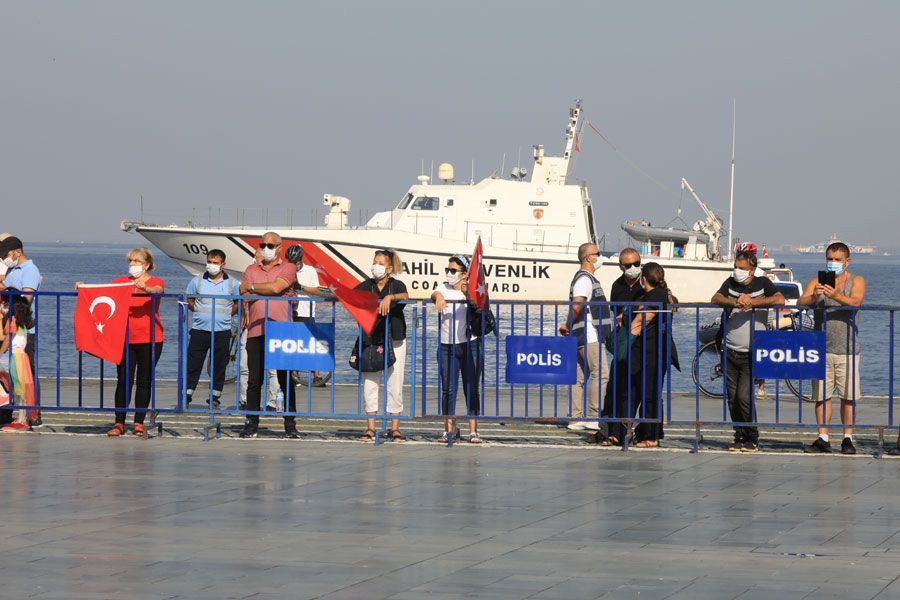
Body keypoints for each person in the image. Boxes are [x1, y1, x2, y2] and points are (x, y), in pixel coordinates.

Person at [711, 251, 785, 452]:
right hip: (730, 348)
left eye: (742, 268)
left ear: (752, 269)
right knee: (732, 396)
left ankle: (752, 435)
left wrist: (753, 302)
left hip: (752, 350)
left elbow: (780, 300)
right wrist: (735, 302)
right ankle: (739, 435)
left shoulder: (763, 283)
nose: (737, 271)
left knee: (744, 396)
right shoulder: (730, 283)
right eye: (736, 266)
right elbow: (716, 297)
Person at [798, 242, 866, 455]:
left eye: (837, 260)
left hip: (847, 348)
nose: (833, 263)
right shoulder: (816, 281)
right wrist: (815, 296)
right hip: (821, 348)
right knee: (821, 395)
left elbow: (855, 301)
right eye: (830, 259)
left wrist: (835, 295)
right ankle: (823, 437)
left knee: (848, 396)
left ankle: (847, 438)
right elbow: (801, 301)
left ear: (847, 261)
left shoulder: (856, 280)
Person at [99, 247, 165, 438]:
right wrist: (83, 287)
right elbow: (102, 293)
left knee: (144, 381)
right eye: (131, 261)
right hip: (125, 339)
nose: (132, 265)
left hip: (151, 339)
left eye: (136, 262)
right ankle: (119, 422)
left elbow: (157, 290)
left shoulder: (155, 281)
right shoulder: (121, 282)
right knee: (124, 381)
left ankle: (139, 422)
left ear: (147, 265)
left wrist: (146, 288)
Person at [238, 232, 298, 438]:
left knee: (285, 379)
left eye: (270, 245)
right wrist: (255, 290)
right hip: (256, 329)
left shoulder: (289, 267)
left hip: (281, 330)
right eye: (263, 244)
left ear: (280, 247)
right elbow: (242, 292)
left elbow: (277, 287)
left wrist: (254, 287)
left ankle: (290, 425)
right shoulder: (251, 268)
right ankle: (251, 423)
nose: (266, 248)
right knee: (254, 380)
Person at [432, 254, 488, 443]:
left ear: (464, 273)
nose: (449, 273)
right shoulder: (443, 287)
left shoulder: (473, 290)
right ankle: (449, 429)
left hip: (470, 343)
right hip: (447, 345)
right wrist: (438, 296)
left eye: (453, 270)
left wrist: (466, 292)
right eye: (447, 270)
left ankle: (473, 430)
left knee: (471, 388)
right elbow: (434, 293)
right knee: (448, 389)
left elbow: (480, 308)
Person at [354, 249, 409, 442]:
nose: (376, 266)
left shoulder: (396, 284)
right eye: (374, 262)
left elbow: (405, 295)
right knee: (370, 381)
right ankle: (370, 426)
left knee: (395, 381)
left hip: (395, 338)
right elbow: (351, 297)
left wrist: (389, 297)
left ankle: (395, 427)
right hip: (371, 339)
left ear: (389, 268)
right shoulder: (366, 285)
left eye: (381, 263)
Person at [558, 242, 611, 434]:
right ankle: (593, 416)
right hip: (589, 334)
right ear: (589, 258)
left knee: (577, 377)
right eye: (598, 253)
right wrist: (567, 324)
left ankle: (575, 417)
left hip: (579, 334)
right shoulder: (584, 279)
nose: (600, 257)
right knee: (601, 374)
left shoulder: (584, 279)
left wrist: (567, 326)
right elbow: (577, 306)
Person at [627, 263, 679, 447]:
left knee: (650, 392)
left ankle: (650, 436)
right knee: (651, 391)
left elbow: (643, 320)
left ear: (643, 278)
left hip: (652, 350)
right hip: (654, 350)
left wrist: (625, 342)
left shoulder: (655, 295)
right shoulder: (660, 294)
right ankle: (649, 433)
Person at [185, 249, 240, 409]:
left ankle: (215, 397)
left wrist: (228, 313)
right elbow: (190, 300)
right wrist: (201, 312)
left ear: (223, 265)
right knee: (193, 364)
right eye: (209, 262)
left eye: (215, 263)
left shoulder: (233, 283)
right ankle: (187, 395)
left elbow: (238, 302)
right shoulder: (197, 281)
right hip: (199, 329)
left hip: (222, 330)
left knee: (219, 365)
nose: (211, 265)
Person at [603, 247, 645, 445]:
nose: (634, 268)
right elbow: (616, 315)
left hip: (644, 343)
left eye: (637, 263)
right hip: (623, 342)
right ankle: (614, 432)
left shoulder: (647, 283)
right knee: (615, 388)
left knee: (640, 390)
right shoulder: (617, 286)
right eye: (629, 265)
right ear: (621, 266)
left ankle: (644, 433)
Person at [0, 236, 42, 427]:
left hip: (25, 328)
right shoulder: (13, 270)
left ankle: (33, 413)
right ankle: (17, 411)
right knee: (14, 372)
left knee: (27, 372)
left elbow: (26, 299)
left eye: (7, 255)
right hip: (12, 325)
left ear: (18, 252)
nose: (6, 259)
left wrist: (9, 296)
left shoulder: (29, 269)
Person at [238, 248, 281, 410]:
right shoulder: (249, 271)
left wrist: (254, 288)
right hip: (251, 325)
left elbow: (275, 290)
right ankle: (245, 401)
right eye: (256, 255)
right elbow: (243, 292)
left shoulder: (276, 273)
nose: (257, 258)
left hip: (272, 324)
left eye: (258, 256)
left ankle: (272, 402)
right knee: (245, 366)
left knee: (273, 369)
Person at [0, 289, 38, 432]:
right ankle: (22, 417)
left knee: (17, 387)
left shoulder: (12, 320)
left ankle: (20, 417)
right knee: (21, 387)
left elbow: (7, 338)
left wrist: (0, 352)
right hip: (22, 355)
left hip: (15, 355)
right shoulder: (23, 320)